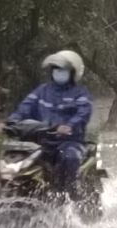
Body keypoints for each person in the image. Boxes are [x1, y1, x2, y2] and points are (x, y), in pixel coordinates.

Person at [5, 50, 93, 196]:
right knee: (12, 158)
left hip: (69, 142)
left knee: (69, 157)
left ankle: (69, 196)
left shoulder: (80, 93)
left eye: (63, 69)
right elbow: (25, 107)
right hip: (41, 141)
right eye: (56, 69)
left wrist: (69, 125)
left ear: (73, 72)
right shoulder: (42, 91)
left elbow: (83, 113)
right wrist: (11, 122)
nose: (58, 72)